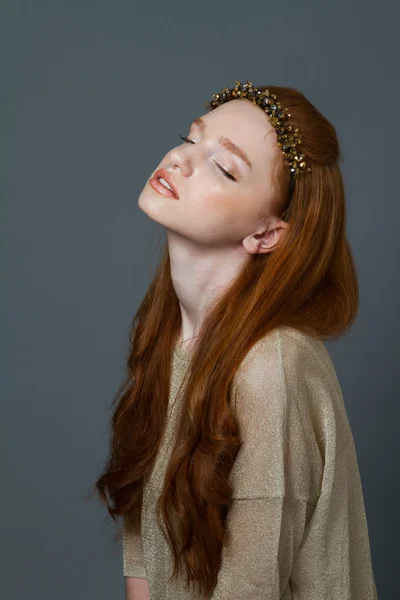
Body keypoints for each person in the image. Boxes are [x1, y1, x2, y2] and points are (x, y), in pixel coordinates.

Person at [94, 81, 379, 599]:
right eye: (190, 138)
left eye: (223, 168)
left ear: (266, 235)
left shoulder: (273, 365)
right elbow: (145, 550)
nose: (180, 159)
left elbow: (251, 587)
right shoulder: (167, 339)